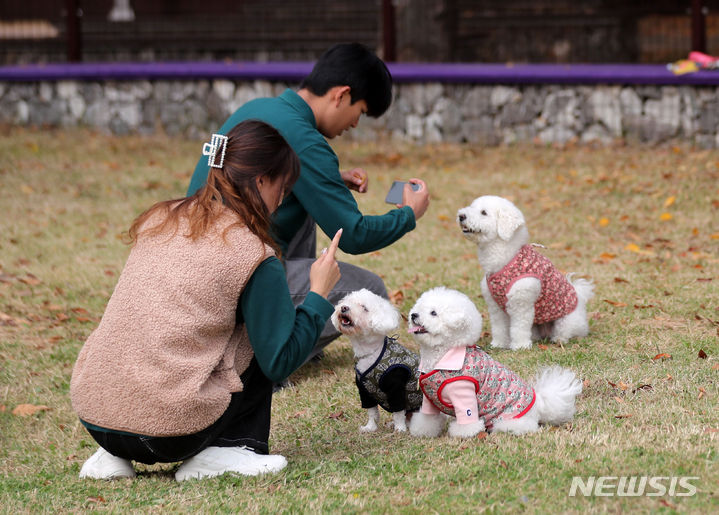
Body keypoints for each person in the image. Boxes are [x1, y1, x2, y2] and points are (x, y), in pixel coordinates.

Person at [71, 120, 343, 481]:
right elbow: (279, 361)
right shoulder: (253, 253)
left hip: (98, 418)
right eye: (285, 187)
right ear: (262, 180)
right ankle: (233, 448)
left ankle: (111, 456)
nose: (284, 199)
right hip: (171, 433)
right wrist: (319, 295)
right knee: (265, 329)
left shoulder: (160, 217)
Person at [187, 42, 430, 361]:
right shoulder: (304, 139)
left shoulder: (257, 108)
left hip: (196, 264)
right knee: (370, 293)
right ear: (342, 95)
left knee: (303, 205)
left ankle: (275, 329)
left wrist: (329, 179)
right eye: (360, 113)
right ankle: (267, 353)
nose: (355, 124)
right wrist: (408, 215)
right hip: (230, 283)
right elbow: (355, 235)